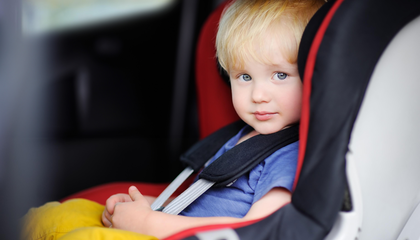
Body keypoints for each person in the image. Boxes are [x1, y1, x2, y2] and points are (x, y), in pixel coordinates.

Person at [21, 0, 324, 239]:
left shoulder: (288, 155)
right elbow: (204, 200)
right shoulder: (243, 135)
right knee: (56, 215)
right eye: (244, 76)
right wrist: (149, 206)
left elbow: (262, 229)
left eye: (280, 75)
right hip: (175, 225)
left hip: (193, 236)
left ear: (313, 76)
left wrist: (150, 222)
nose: (258, 94)